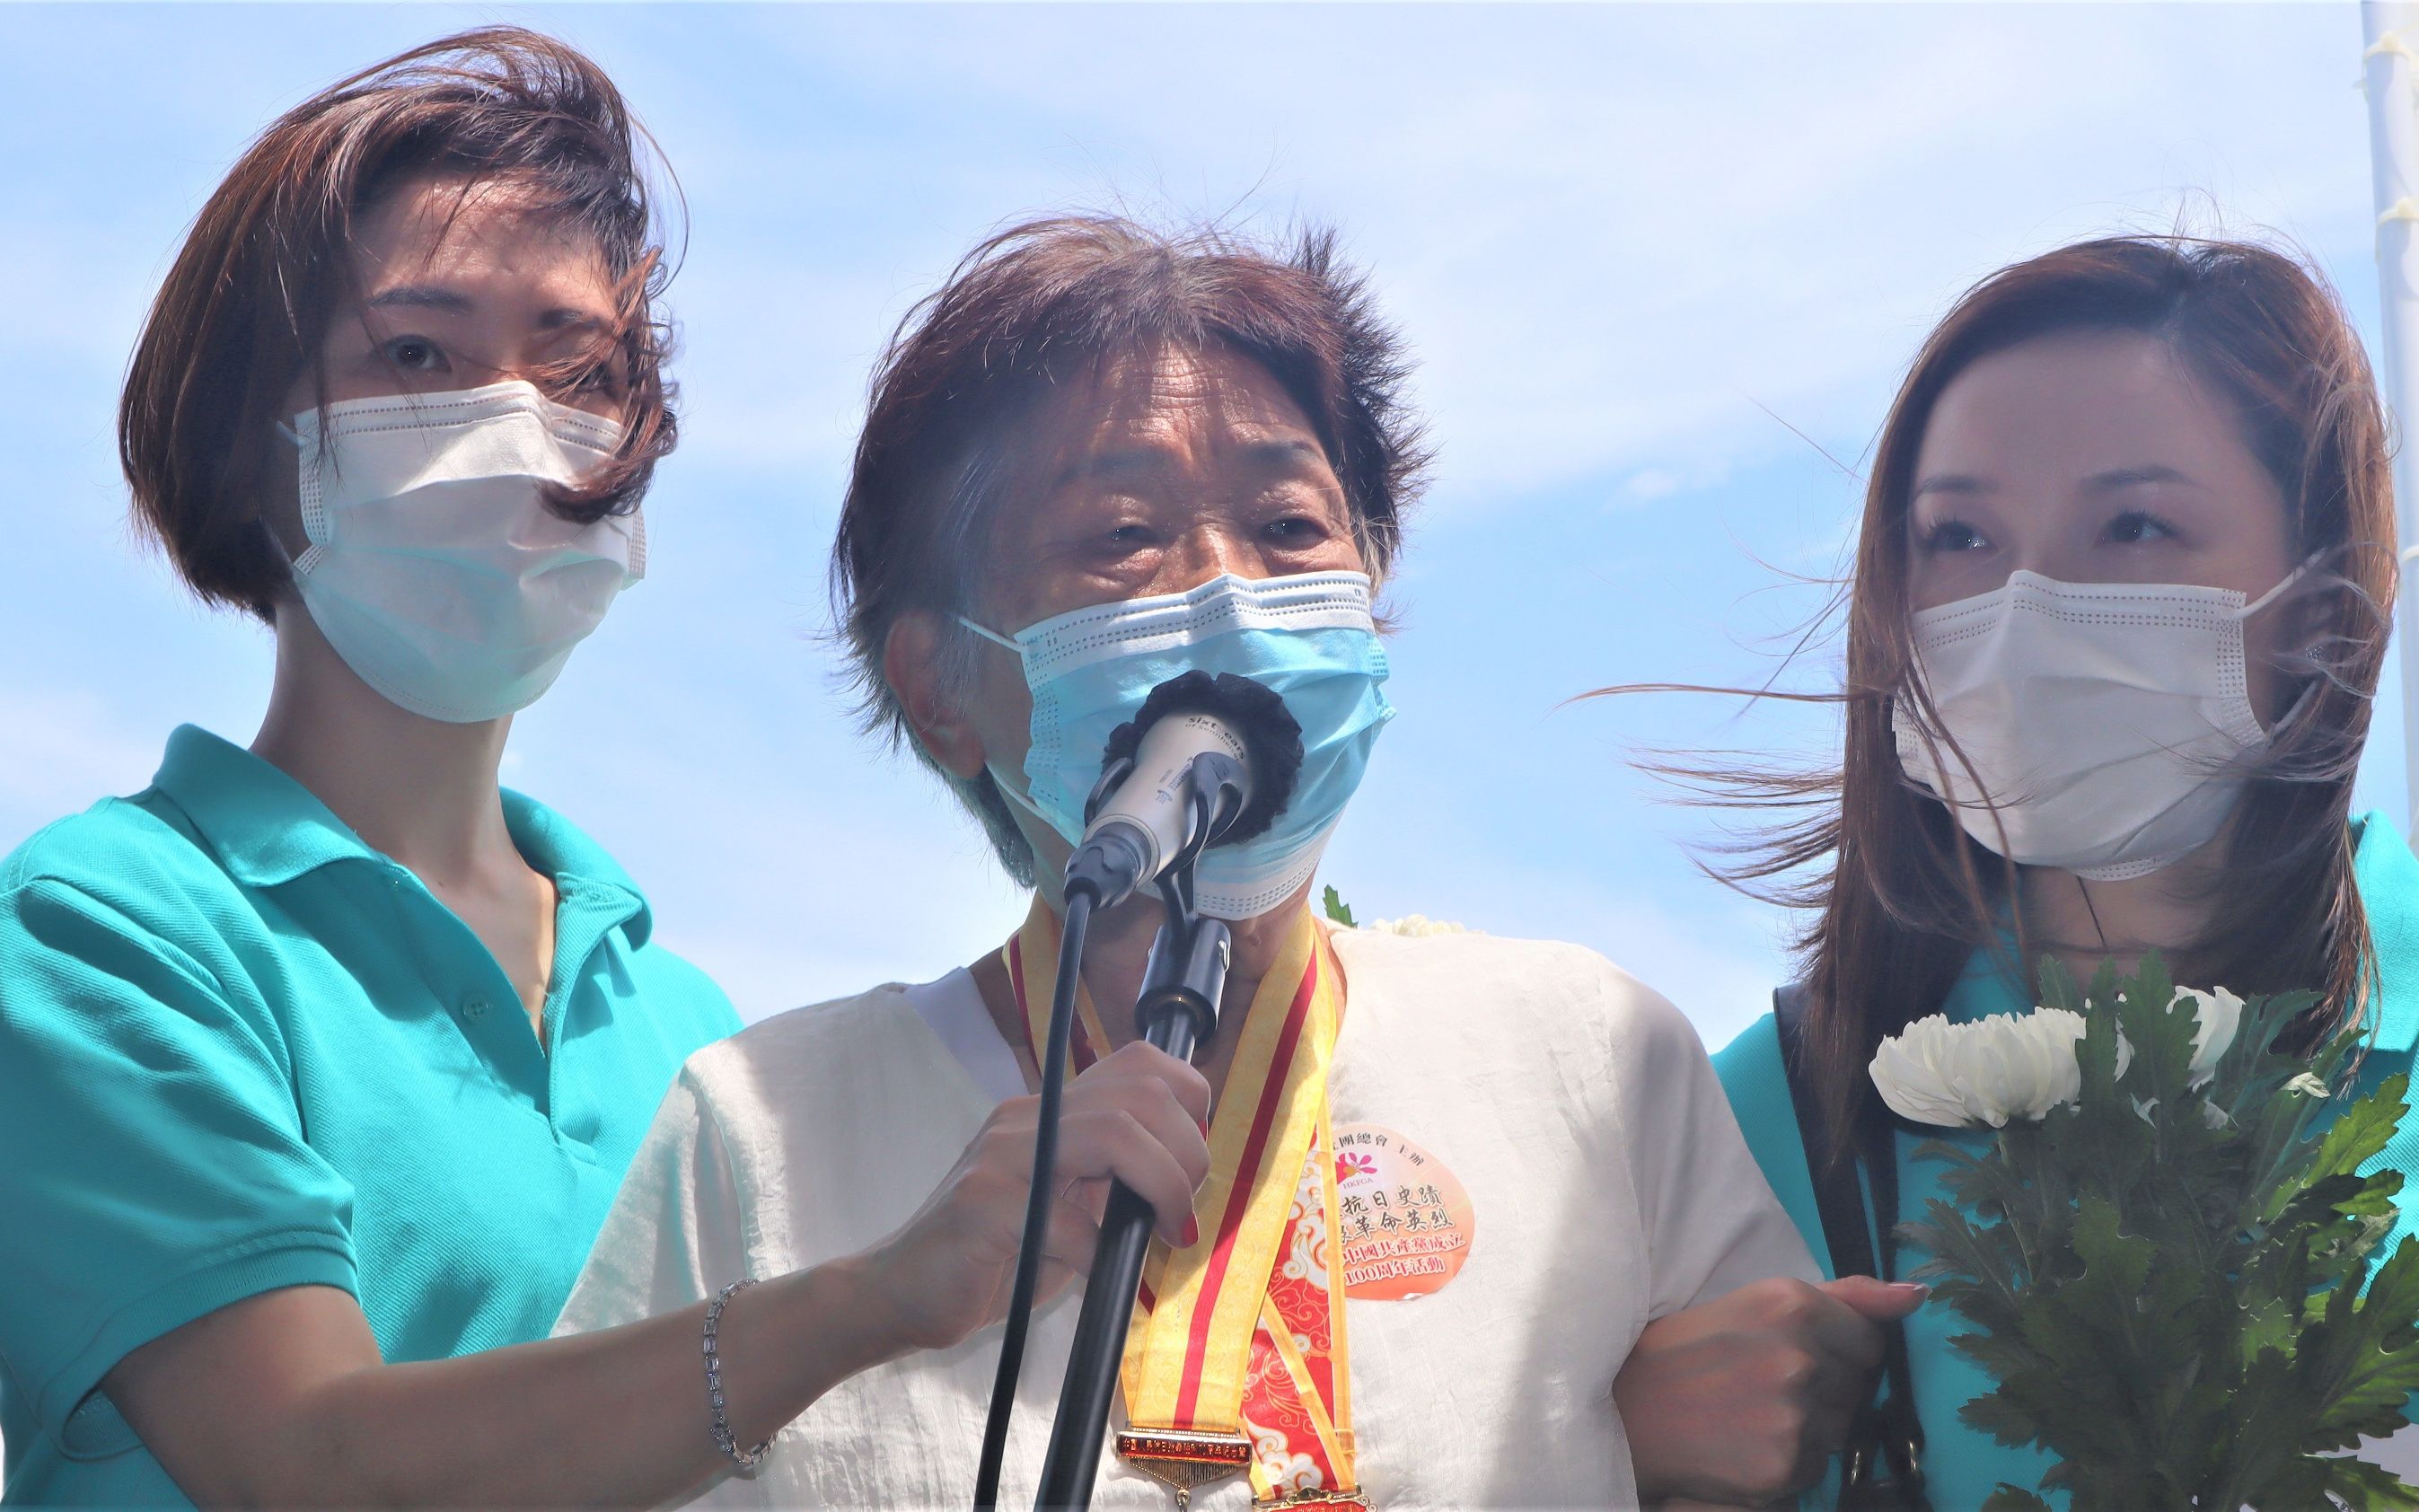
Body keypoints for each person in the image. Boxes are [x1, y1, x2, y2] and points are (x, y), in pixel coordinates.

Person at [554, 215, 1911, 1511]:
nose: (1228, 593)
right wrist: (856, 1306)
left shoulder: (1581, 1055)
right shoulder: (762, 1127)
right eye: (1121, 538)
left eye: (1290, 529)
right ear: (939, 685)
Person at [0, 31, 1100, 1509]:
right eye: (417, 355)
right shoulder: (101, 932)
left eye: (577, 368)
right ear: (250, 438)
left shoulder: (682, 1018)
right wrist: (870, 1299)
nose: (516, 421)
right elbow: (306, 1463)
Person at [1669, 233, 2417, 1509]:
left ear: (2320, 602)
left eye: (2132, 524)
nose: (2023, 602)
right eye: (1956, 536)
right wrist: (1629, 1451)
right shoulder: (1781, 1111)